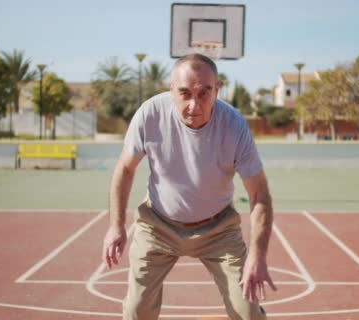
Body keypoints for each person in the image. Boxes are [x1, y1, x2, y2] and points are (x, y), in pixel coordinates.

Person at [102, 53, 276, 320]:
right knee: (137, 311)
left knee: (248, 312)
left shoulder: (234, 125)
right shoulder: (150, 114)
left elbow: (259, 194)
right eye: (184, 93)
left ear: (217, 91)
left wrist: (258, 253)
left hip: (219, 229)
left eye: (204, 93)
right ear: (171, 89)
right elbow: (125, 169)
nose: (194, 104)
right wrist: (116, 225)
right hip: (158, 225)